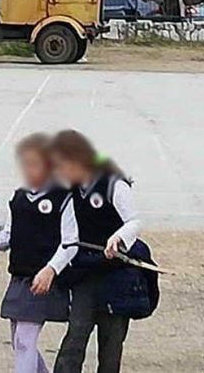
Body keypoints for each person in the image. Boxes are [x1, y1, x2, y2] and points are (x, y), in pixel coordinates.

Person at [0, 133, 73, 373]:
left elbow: (70, 242)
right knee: (19, 340)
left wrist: (51, 270)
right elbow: (9, 234)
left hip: (43, 278)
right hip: (20, 278)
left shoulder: (64, 197)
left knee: (24, 340)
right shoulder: (19, 196)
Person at [50, 130, 141, 373]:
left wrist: (118, 238)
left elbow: (133, 221)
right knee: (75, 338)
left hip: (117, 275)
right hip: (86, 274)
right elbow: (69, 237)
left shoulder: (114, 184)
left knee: (111, 346)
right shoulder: (71, 191)